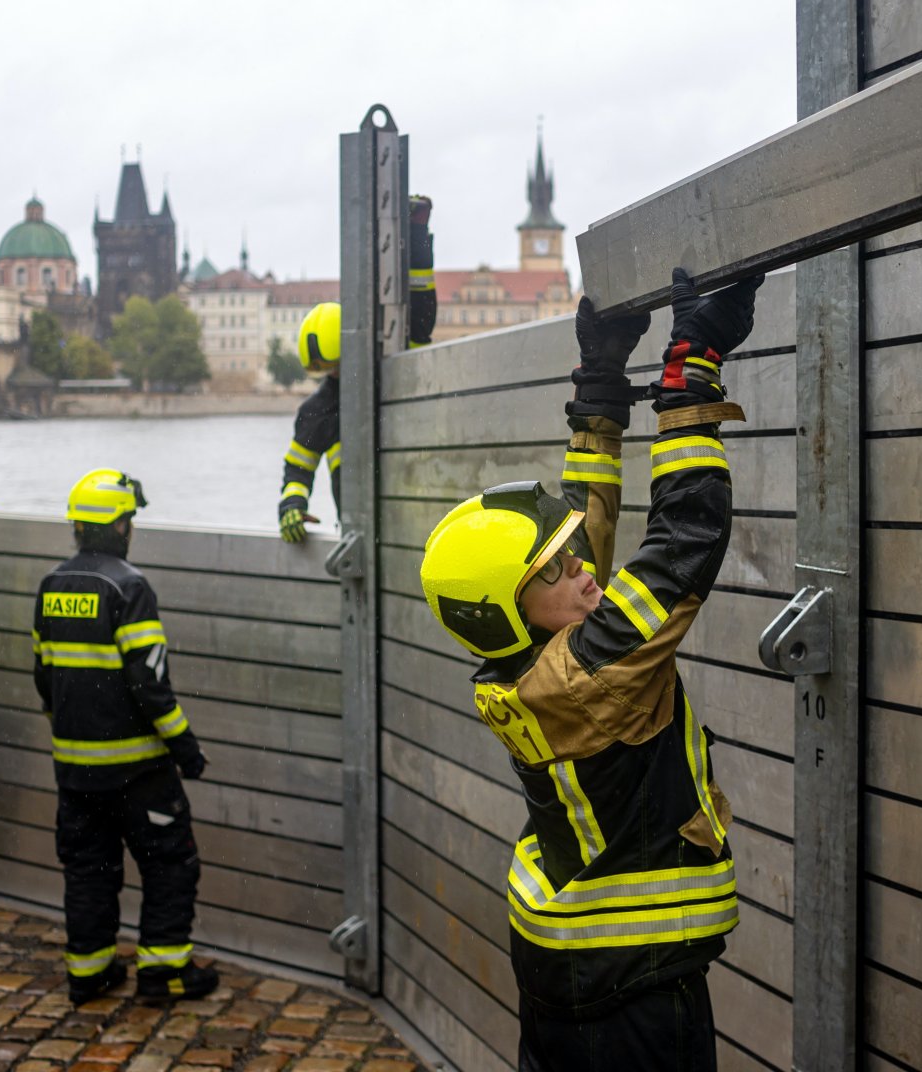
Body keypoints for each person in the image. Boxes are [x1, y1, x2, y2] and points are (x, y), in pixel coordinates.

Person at [419, 269, 760, 1071]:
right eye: (553, 570)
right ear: (509, 608)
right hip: (630, 981)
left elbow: (586, 539)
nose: (579, 570)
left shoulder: (531, 661)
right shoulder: (588, 675)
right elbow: (684, 544)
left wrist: (601, 389)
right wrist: (688, 373)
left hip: (565, 955)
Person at [33, 469, 217, 1002]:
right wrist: (185, 747)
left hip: (74, 768)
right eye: (128, 518)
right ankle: (164, 974)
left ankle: (89, 974)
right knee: (169, 863)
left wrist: (72, 735)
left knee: (89, 869)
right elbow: (149, 681)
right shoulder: (128, 587)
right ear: (118, 525)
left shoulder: (52, 585)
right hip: (139, 771)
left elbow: (44, 675)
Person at [277, 194, 436, 543]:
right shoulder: (316, 410)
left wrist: (417, 233)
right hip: (361, 532)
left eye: (335, 367)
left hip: (421, 515)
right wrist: (292, 503)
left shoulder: (397, 373)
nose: (332, 376)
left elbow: (421, 306)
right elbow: (298, 467)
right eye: (324, 371)